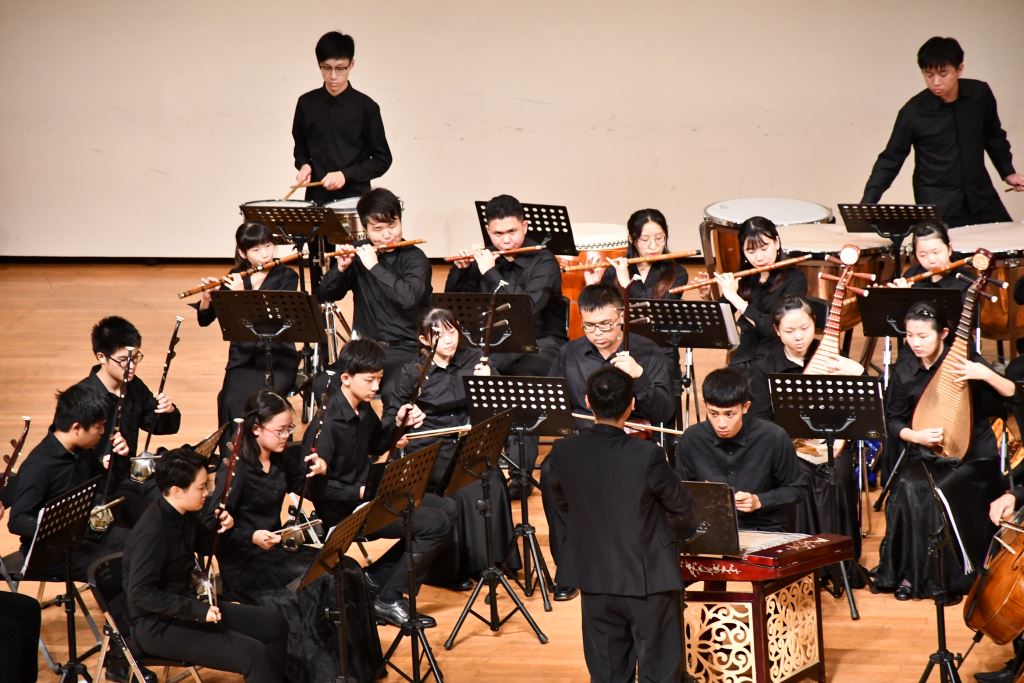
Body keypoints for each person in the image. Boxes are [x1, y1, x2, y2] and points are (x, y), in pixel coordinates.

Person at [541, 366, 696, 683]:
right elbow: (682, 507)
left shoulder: (562, 452)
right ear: (632, 404)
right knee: (660, 674)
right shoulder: (647, 454)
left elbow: (558, 508)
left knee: (608, 675)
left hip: (594, 580)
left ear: (587, 401)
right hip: (648, 580)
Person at [213, 389, 371, 681]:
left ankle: (352, 668)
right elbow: (214, 527)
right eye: (281, 430)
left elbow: (305, 489)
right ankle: (317, 674)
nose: (287, 436)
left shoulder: (280, 457)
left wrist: (320, 472)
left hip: (275, 550)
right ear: (256, 428)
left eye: (290, 429)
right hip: (245, 562)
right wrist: (250, 536)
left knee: (346, 569)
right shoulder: (236, 470)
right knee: (307, 590)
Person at [307, 339, 456, 627]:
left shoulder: (362, 409)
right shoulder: (327, 425)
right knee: (434, 524)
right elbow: (318, 491)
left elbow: (376, 444)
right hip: (347, 512)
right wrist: (359, 490)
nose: (376, 386)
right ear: (346, 379)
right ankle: (388, 598)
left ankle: (374, 579)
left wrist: (399, 424)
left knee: (448, 508)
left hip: (370, 497)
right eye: (370, 380)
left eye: (379, 379)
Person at [875, 303, 1016, 600]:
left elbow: (1012, 392)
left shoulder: (966, 359)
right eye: (910, 335)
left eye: (923, 336)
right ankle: (912, 574)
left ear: (943, 333)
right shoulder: (904, 369)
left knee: (944, 489)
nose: (915, 342)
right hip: (926, 452)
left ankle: (950, 578)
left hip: (973, 454)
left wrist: (985, 373)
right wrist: (915, 436)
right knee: (908, 486)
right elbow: (893, 419)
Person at [123, 447, 288, 683]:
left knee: (274, 624)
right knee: (253, 655)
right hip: (158, 625)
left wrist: (225, 529)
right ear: (177, 491)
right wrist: (198, 611)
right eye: (201, 488)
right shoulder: (152, 532)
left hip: (186, 608)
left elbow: (205, 545)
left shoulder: (183, 512)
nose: (207, 493)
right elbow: (140, 593)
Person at [382, 308, 520, 587]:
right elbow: (391, 416)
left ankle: (492, 562)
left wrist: (489, 383)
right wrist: (402, 417)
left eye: (452, 331)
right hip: (432, 446)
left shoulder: (475, 360)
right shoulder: (412, 372)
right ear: (424, 340)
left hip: (470, 441)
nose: (448, 340)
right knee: (456, 486)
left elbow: (501, 405)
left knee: (491, 479)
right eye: (438, 335)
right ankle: (452, 570)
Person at [445, 193, 569, 495]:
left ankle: (520, 474)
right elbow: (456, 304)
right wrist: (461, 270)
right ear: (488, 232)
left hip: (541, 342)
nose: (506, 240)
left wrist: (491, 272)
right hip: (497, 342)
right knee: (470, 375)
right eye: (498, 234)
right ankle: (471, 468)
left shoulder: (544, 261)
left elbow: (526, 307)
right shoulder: (485, 258)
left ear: (524, 227)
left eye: (512, 232)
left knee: (521, 384)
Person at [746, 296, 865, 577]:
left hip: (830, 441)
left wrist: (855, 372)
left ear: (815, 324)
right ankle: (800, 562)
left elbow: (858, 409)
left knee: (839, 474)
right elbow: (760, 420)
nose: (799, 336)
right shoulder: (765, 366)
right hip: (787, 445)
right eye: (789, 331)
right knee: (797, 475)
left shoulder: (831, 357)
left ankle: (839, 564)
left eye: (805, 328)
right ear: (777, 331)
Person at [861, 36, 1023, 228]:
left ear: (959, 69)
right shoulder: (912, 112)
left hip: (981, 195)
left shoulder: (980, 94)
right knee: (941, 247)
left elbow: (993, 135)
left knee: (1007, 240)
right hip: (938, 202)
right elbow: (891, 159)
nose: (935, 82)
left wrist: (1007, 172)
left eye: (943, 74)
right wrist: (867, 204)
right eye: (928, 75)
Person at [193, 222, 299, 458]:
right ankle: (233, 460)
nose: (265, 254)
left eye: (268, 246)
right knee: (231, 398)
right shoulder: (234, 277)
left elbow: (273, 320)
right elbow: (205, 320)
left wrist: (243, 294)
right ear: (243, 253)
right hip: (242, 358)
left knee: (265, 403)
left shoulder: (287, 277)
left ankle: (271, 457)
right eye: (256, 250)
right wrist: (207, 298)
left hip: (277, 358)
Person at [316, 188, 432, 395]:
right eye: (378, 229)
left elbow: (408, 298)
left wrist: (374, 267)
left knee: (394, 391)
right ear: (366, 229)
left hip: (405, 349)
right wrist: (340, 268)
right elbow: (325, 295)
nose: (387, 234)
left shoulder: (415, 258)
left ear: (400, 220)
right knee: (324, 384)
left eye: (392, 225)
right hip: (365, 349)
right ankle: (361, 416)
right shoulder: (359, 251)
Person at [7, 383, 129, 579]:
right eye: (99, 426)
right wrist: (61, 525)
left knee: (144, 544)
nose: (103, 432)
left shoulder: (81, 451)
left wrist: (120, 458)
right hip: (51, 555)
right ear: (76, 428)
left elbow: (108, 488)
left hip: (86, 537)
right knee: (125, 564)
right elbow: (17, 521)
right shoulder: (39, 466)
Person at [73, 315, 182, 526]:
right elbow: (69, 452)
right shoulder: (82, 398)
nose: (131, 366)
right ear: (101, 357)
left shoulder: (134, 386)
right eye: (123, 360)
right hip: (97, 492)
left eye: (136, 357)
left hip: (129, 480)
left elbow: (155, 425)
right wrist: (99, 460)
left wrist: (167, 410)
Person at [586, 208, 689, 426]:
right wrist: (593, 284)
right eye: (645, 239)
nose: (653, 246)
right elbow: (603, 311)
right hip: (620, 347)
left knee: (663, 395)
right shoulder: (615, 270)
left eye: (659, 238)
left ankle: (664, 441)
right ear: (632, 239)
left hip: (659, 351)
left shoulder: (677, 273)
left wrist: (627, 286)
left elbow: (652, 317)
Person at [674, 367, 806, 532]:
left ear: (745, 407)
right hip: (710, 527)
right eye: (713, 413)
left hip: (763, 527)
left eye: (729, 414)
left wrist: (759, 501)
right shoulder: (691, 438)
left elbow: (798, 489)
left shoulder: (773, 437)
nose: (721, 423)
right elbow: (679, 491)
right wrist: (703, 494)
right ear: (705, 405)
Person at [551, 284, 674, 431]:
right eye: (589, 325)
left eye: (605, 324)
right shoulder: (569, 353)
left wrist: (640, 377)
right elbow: (554, 406)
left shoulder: (648, 351)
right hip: (584, 436)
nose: (597, 333)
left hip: (631, 438)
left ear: (621, 317)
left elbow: (664, 413)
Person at [292, 30, 392, 205]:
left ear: (351, 64)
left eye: (340, 68)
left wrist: (346, 175)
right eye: (326, 68)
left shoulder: (367, 107)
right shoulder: (306, 104)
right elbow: (301, 146)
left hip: (355, 201)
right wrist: (304, 165)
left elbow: (382, 160)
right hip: (316, 200)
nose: (333, 76)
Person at [692, 216, 808, 367]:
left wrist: (735, 298)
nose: (759, 257)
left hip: (779, 356)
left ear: (777, 243)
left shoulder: (795, 279)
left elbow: (775, 329)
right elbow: (718, 322)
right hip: (746, 354)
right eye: (750, 251)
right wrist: (706, 296)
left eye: (764, 248)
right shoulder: (745, 278)